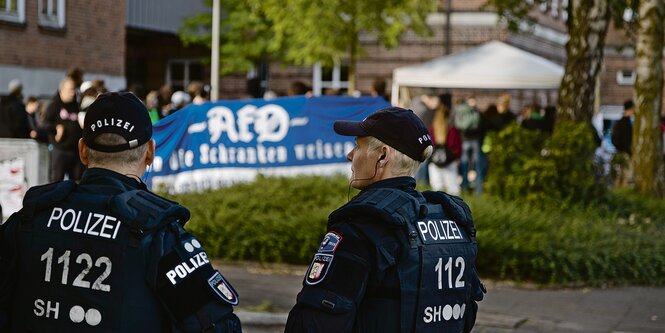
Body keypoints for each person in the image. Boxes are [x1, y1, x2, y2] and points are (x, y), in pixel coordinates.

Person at [0, 92, 242, 333]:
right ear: (149, 153)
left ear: (83, 151)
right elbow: (220, 328)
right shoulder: (160, 236)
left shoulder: (28, 220)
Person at [285, 107, 485, 333]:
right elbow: (465, 315)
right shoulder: (452, 221)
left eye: (357, 146)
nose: (350, 155)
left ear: (382, 155)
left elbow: (315, 323)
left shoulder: (362, 225)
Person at [43, 77, 85, 182]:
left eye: (74, 90)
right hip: (60, 151)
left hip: (75, 151)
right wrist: (56, 128)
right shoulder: (54, 105)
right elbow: (44, 124)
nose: (72, 93)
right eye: (70, 90)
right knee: (56, 182)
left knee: (77, 183)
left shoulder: (76, 106)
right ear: (62, 90)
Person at [429, 104, 462, 195]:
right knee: (453, 189)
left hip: (435, 161)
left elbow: (430, 144)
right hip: (450, 160)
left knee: (436, 188)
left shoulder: (432, 128)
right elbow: (455, 146)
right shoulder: (452, 129)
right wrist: (457, 157)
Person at [454, 96, 484, 194]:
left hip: (467, 140)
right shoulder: (475, 112)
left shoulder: (460, 111)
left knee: (466, 165)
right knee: (474, 165)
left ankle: (466, 187)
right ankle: (476, 189)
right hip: (471, 140)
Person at [611, 100, 636, 187]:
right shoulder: (624, 123)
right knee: (626, 176)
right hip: (624, 153)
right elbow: (621, 139)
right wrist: (626, 150)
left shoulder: (624, 122)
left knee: (620, 176)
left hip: (622, 151)